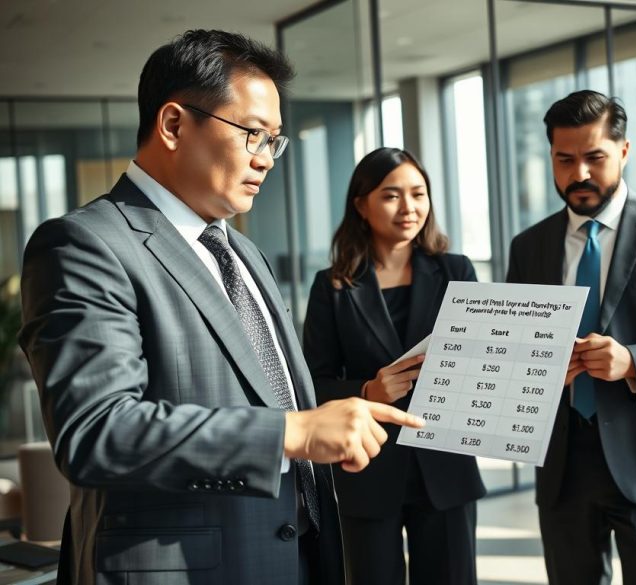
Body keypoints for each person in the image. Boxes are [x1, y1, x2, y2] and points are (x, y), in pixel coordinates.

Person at [17, 30, 422, 585]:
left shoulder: (243, 252)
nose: (266, 160)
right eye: (253, 134)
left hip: (298, 558)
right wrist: (292, 433)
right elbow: (96, 431)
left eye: (274, 142)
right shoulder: (85, 244)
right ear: (174, 125)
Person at [505, 90, 636, 585]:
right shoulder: (529, 246)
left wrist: (634, 362)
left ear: (624, 151)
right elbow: (516, 346)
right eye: (565, 159)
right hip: (560, 462)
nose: (579, 173)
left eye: (594, 157)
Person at [303, 147, 486, 585]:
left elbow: (483, 361)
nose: (409, 208)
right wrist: (367, 393)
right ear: (361, 204)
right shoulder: (332, 287)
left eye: (418, 194)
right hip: (368, 471)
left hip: (446, 468)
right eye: (391, 195)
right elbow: (311, 385)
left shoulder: (456, 271)